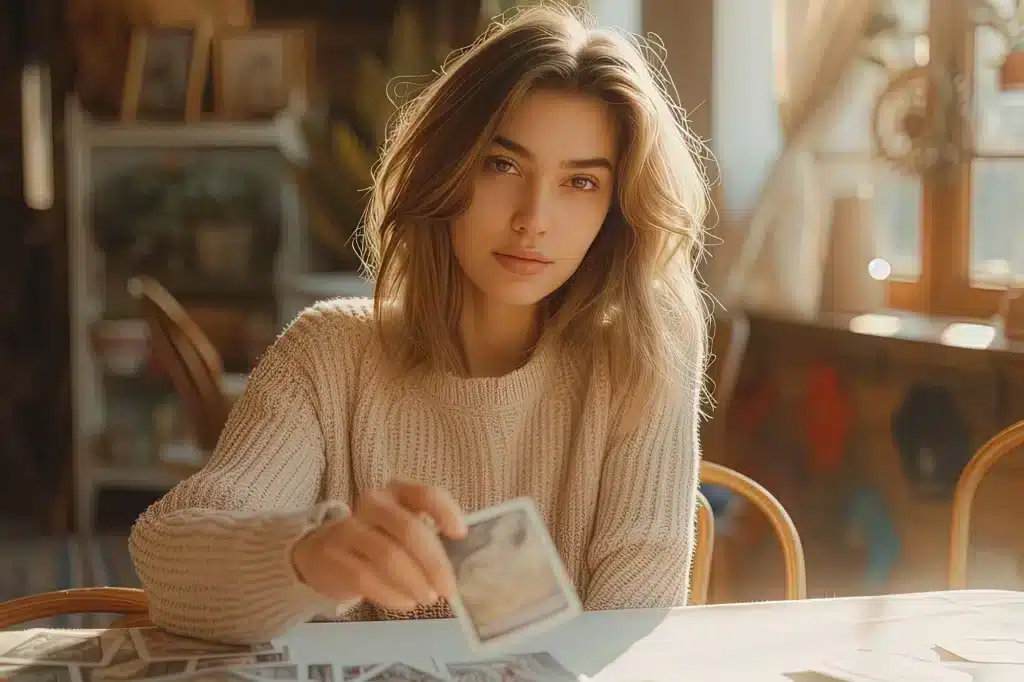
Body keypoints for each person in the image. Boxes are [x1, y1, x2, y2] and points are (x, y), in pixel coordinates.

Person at [129, 2, 709, 645]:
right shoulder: (328, 353)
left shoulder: (642, 358)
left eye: (580, 182)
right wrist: (308, 558)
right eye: (503, 165)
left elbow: (627, 636)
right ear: (448, 168)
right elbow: (167, 558)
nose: (532, 217)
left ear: (616, 209)